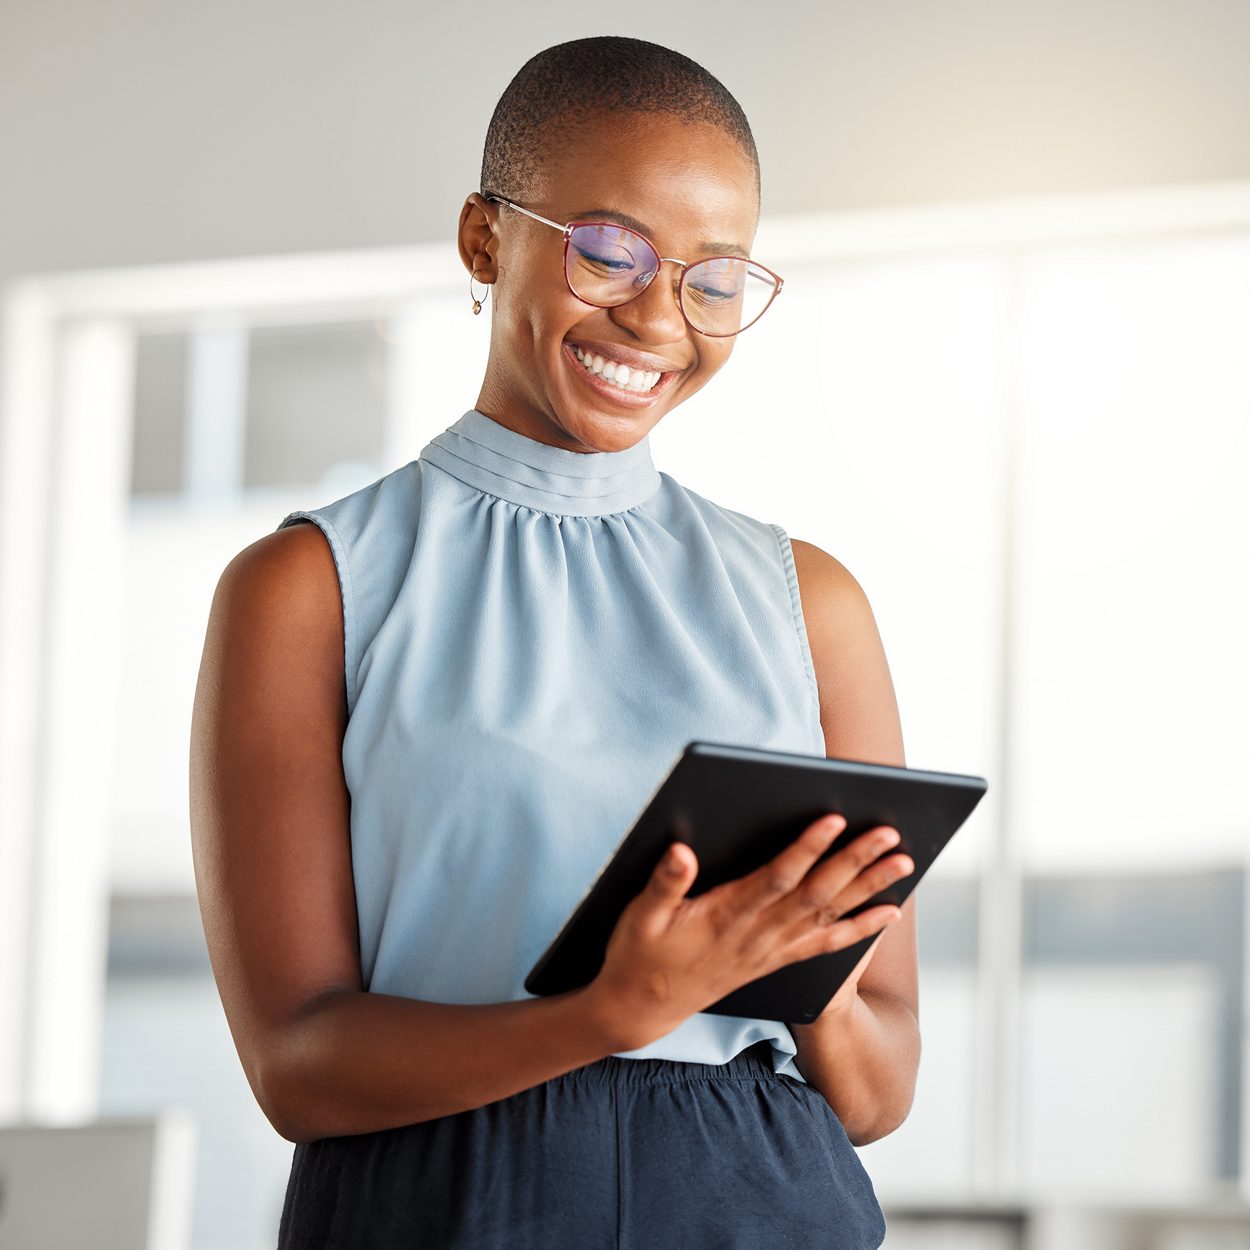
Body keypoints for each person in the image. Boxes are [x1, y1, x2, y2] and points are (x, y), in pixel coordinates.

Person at [189, 34, 920, 1250]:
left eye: (713, 275)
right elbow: (296, 1063)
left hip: (762, 1198)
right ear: (484, 238)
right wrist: (612, 1008)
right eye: (605, 249)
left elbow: (879, 1087)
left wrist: (795, 966)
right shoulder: (308, 586)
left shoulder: (808, 599)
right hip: (445, 1203)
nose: (655, 315)